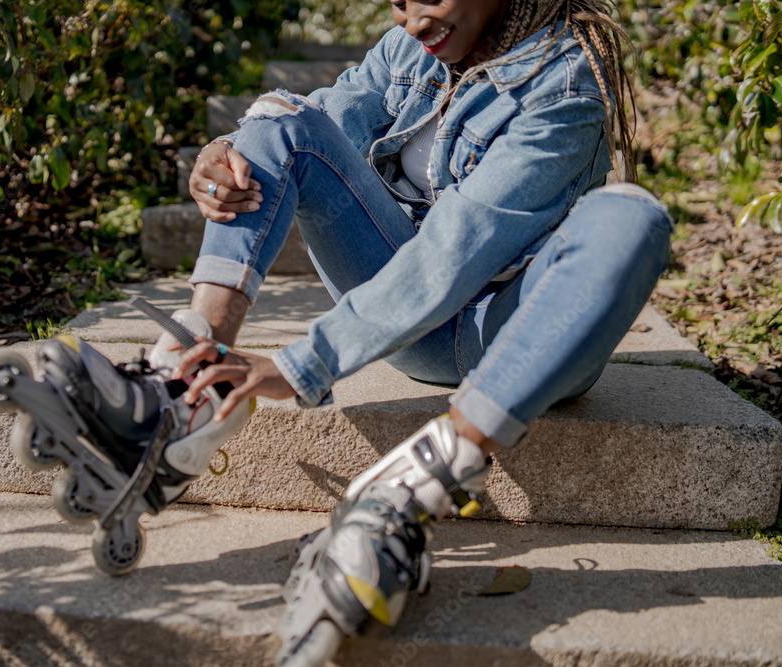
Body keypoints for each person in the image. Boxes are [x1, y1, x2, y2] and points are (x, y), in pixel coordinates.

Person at [164, 0, 673, 659]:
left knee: (631, 218)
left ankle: (420, 480)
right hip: (420, 332)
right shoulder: (410, 48)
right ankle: (183, 387)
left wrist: (303, 363)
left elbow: (461, 243)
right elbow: (318, 119)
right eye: (398, 2)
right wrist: (227, 152)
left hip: (516, 333)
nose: (411, 20)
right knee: (275, 120)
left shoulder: (566, 79)